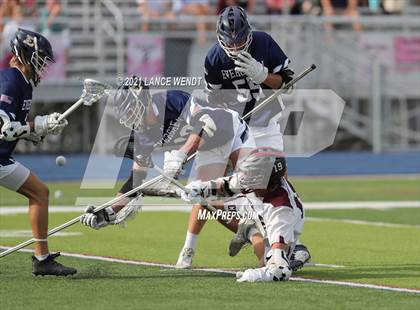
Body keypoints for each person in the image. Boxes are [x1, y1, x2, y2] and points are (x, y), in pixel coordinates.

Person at [176, 5, 296, 268]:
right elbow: (213, 101)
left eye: (240, 38)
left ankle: (287, 245)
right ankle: (188, 247)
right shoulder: (214, 58)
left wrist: (264, 75)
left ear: (248, 33)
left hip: (265, 123)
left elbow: (288, 84)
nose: (235, 44)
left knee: (279, 182)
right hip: (234, 128)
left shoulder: (263, 42)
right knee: (206, 184)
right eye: (231, 39)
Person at [79, 79, 255, 232]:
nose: (130, 119)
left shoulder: (171, 100)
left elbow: (205, 124)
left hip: (229, 131)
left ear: (143, 100)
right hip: (209, 150)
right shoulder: (141, 134)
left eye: (131, 111)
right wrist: (110, 211)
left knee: (253, 187)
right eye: (127, 115)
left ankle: (271, 225)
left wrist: (181, 154)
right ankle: (250, 234)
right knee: (206, 198)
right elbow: (136, 180)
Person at [0, 28, 76, 276]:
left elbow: (16, 129)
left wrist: (40, 130)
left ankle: (42, 260)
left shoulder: (23, 83)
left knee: (40, 192)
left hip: (2, 158)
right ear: (25, 54)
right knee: (40, 192)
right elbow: (5, 129)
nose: (43, 66)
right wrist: (37, 125)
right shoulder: (11, 80)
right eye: (40, 59)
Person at [181, 147, 310, 281]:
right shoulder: (259, 181)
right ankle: (249, 229)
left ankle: (251, 232)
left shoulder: (281, 211)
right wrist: (199, 188)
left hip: (268, 217)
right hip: (252, 205)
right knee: (207, 201)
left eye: (253, 173)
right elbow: (225, 186)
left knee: (266, 264)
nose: (247, 176)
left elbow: (281, 271)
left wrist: (257, 275)